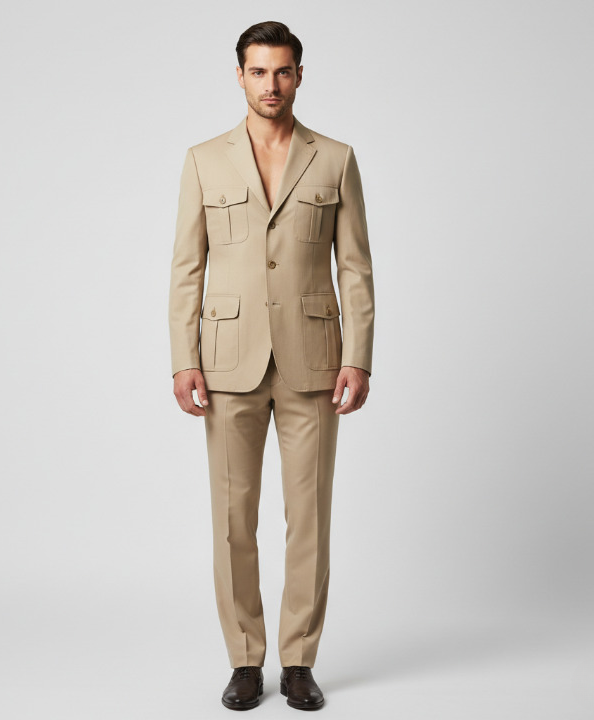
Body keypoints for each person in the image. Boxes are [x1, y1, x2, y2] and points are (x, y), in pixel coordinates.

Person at [168, 20, 375, 711]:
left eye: (283, 71)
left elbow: (355, 268)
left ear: (299, 75)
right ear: (239, 76)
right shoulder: (204, 160)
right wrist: (183, 359)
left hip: (313, 362)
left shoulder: (335, 158)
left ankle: (299, 662)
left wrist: (359, 358)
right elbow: (187, 268)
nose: (271, 84)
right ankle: (244, 660)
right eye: (258, 71)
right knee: (234, 519)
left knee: (308, 518)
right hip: (227, 363)